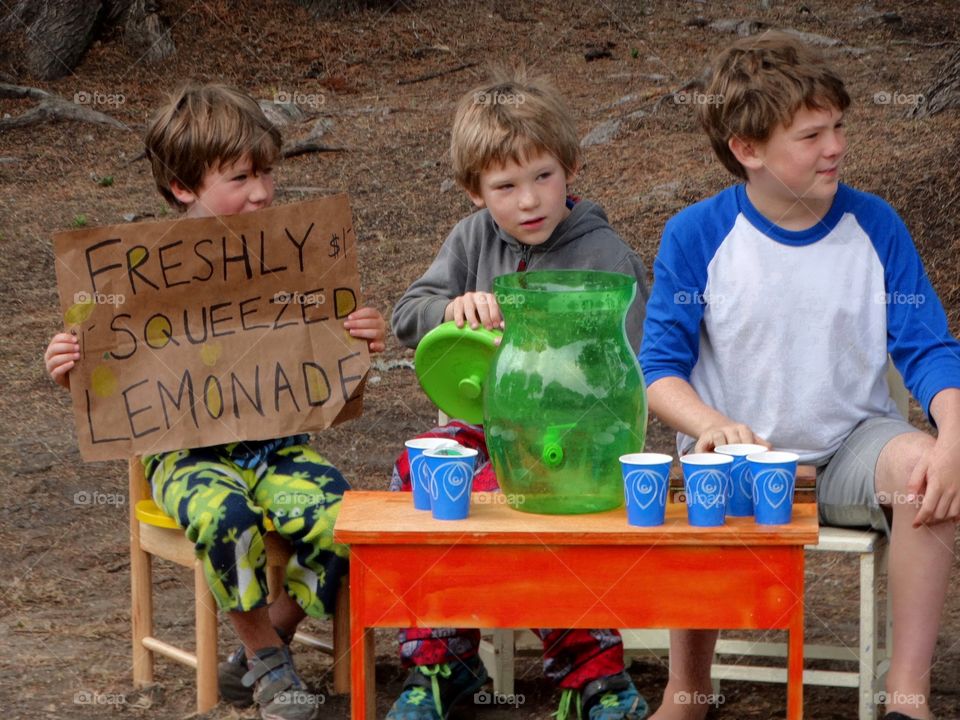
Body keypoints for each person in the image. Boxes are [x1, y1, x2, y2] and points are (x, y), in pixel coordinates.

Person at [639, 32, 960, 720]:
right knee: (703, 476)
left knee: (924, 472)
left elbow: (930, 347)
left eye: (838, 127)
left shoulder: (875, 225)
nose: (835, 147)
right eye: (811, 135)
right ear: (747, 149)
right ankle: (687, 692)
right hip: (740, 459)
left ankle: (907, 697)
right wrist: (710, 424)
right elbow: (660, 371)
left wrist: (954, 435)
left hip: (848, 450)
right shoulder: (696, 234)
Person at [43, 84, 387, 720]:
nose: (261, 192)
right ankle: (268, 659)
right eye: (240, 178)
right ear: (183, 186)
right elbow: (110, 370)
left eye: (266, 174)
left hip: (276, 449)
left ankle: (267, 640)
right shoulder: (134, 271)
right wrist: (68, 367)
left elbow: (324, 346)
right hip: (185, 457)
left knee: (346, 519)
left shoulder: (291, 252)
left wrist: (359, 335)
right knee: (226, 516)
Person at [388, 69, 650, 720]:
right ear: (475, 191)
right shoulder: (471, 240)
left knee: (521, 500)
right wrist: (452, 309)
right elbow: (407, 314)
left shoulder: (604, 256)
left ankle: (595, 679)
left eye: (543, 176)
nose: (529, 200)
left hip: (573, 445)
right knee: (424, 469)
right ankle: (442, 662)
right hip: (487, 431)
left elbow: (631, 367)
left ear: (570, 168)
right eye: (505, 186)